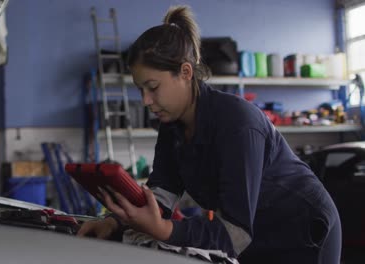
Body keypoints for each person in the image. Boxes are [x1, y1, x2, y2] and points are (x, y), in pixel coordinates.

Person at [78, 5, 342, 264]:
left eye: (153, 87)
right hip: (253, 234)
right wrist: (114, 222)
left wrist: (164, 230)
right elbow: (161, 195)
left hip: (303, 233)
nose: (146, 100)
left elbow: (235, 234)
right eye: (140, 89)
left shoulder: (237, 124)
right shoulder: (172, 126)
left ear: (185, 72)